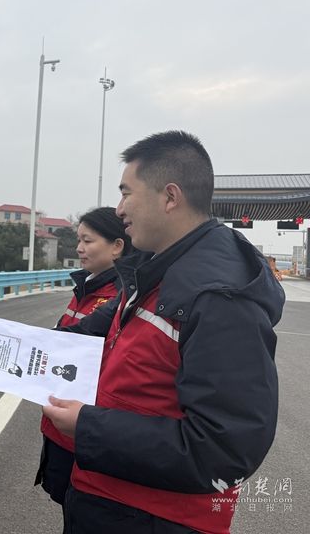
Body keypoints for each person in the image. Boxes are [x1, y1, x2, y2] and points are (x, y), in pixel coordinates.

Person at [41, 131, 282, 533]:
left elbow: (224, 447)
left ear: (170, 197)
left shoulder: (218, 297)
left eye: (126, 193)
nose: (119, 209)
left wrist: (89, 427)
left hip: (156, 519)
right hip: (107, 500)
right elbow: (81, 339)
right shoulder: (155, 273)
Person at [35, 206, 132, 514]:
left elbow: (67, 344)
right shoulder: (87, 287)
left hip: (84, 433)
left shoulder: (121, 299)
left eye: (88, 241)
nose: (79, 248)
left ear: (117, 246)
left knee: (82, 512)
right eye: (79, 240)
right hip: (61, 428)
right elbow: (56, 342)